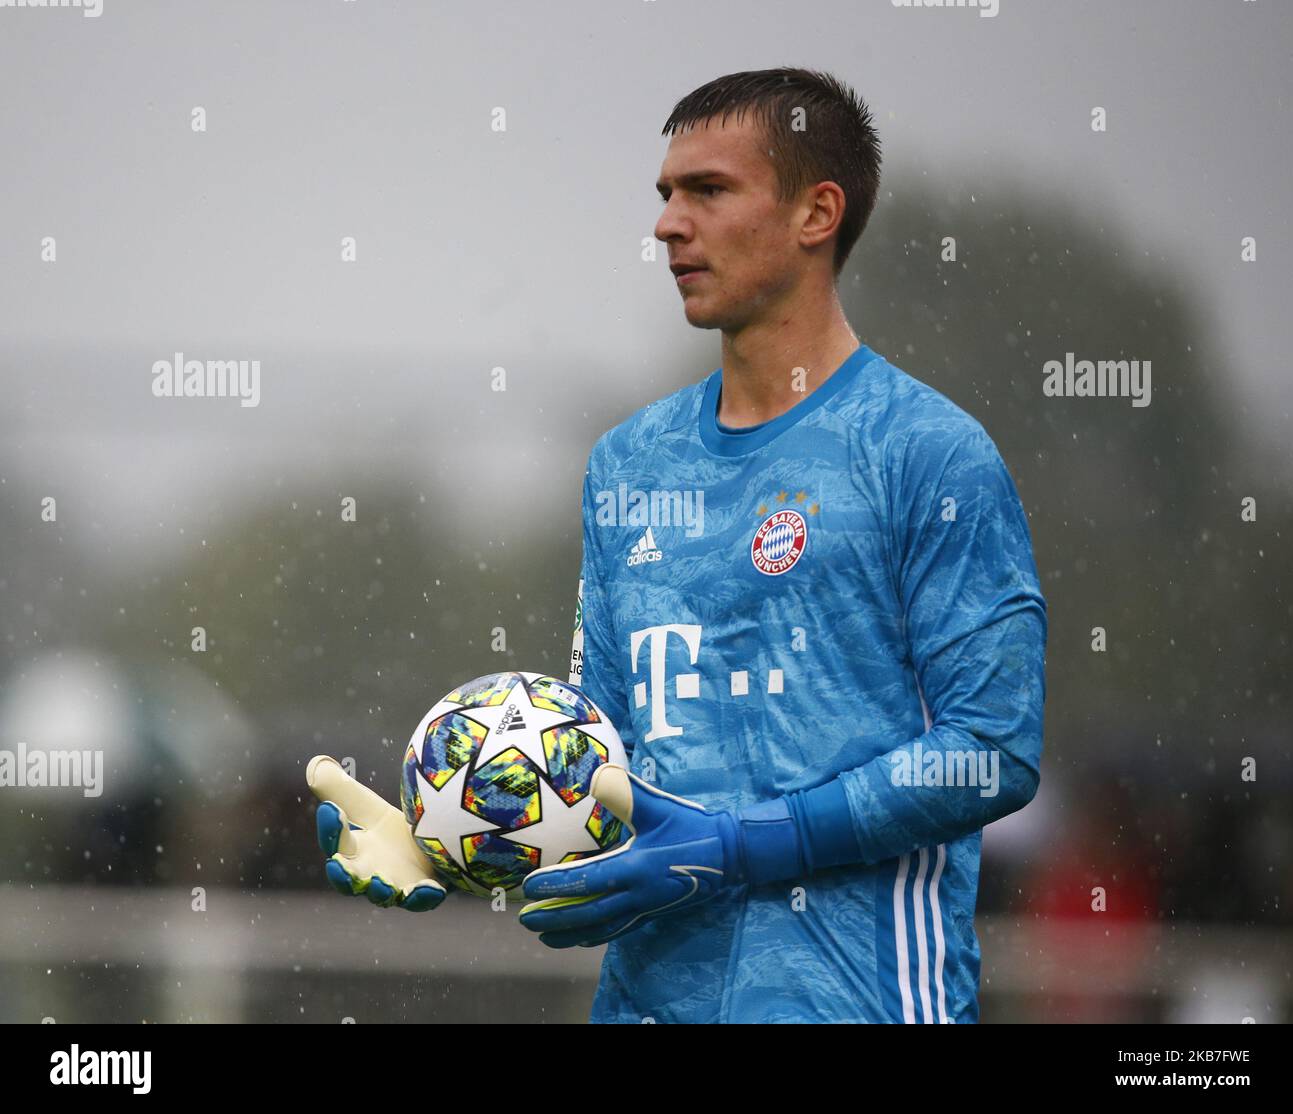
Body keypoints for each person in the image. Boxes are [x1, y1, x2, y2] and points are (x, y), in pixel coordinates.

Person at [310, 67, 1046, 1024]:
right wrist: (451, 834)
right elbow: (601, 762)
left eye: (708, 190)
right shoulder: (629, 464)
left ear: (817, 212)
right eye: (665, 195)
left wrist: (744, 847)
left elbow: (989, 750)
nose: (666, 224)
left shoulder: (925, 452)